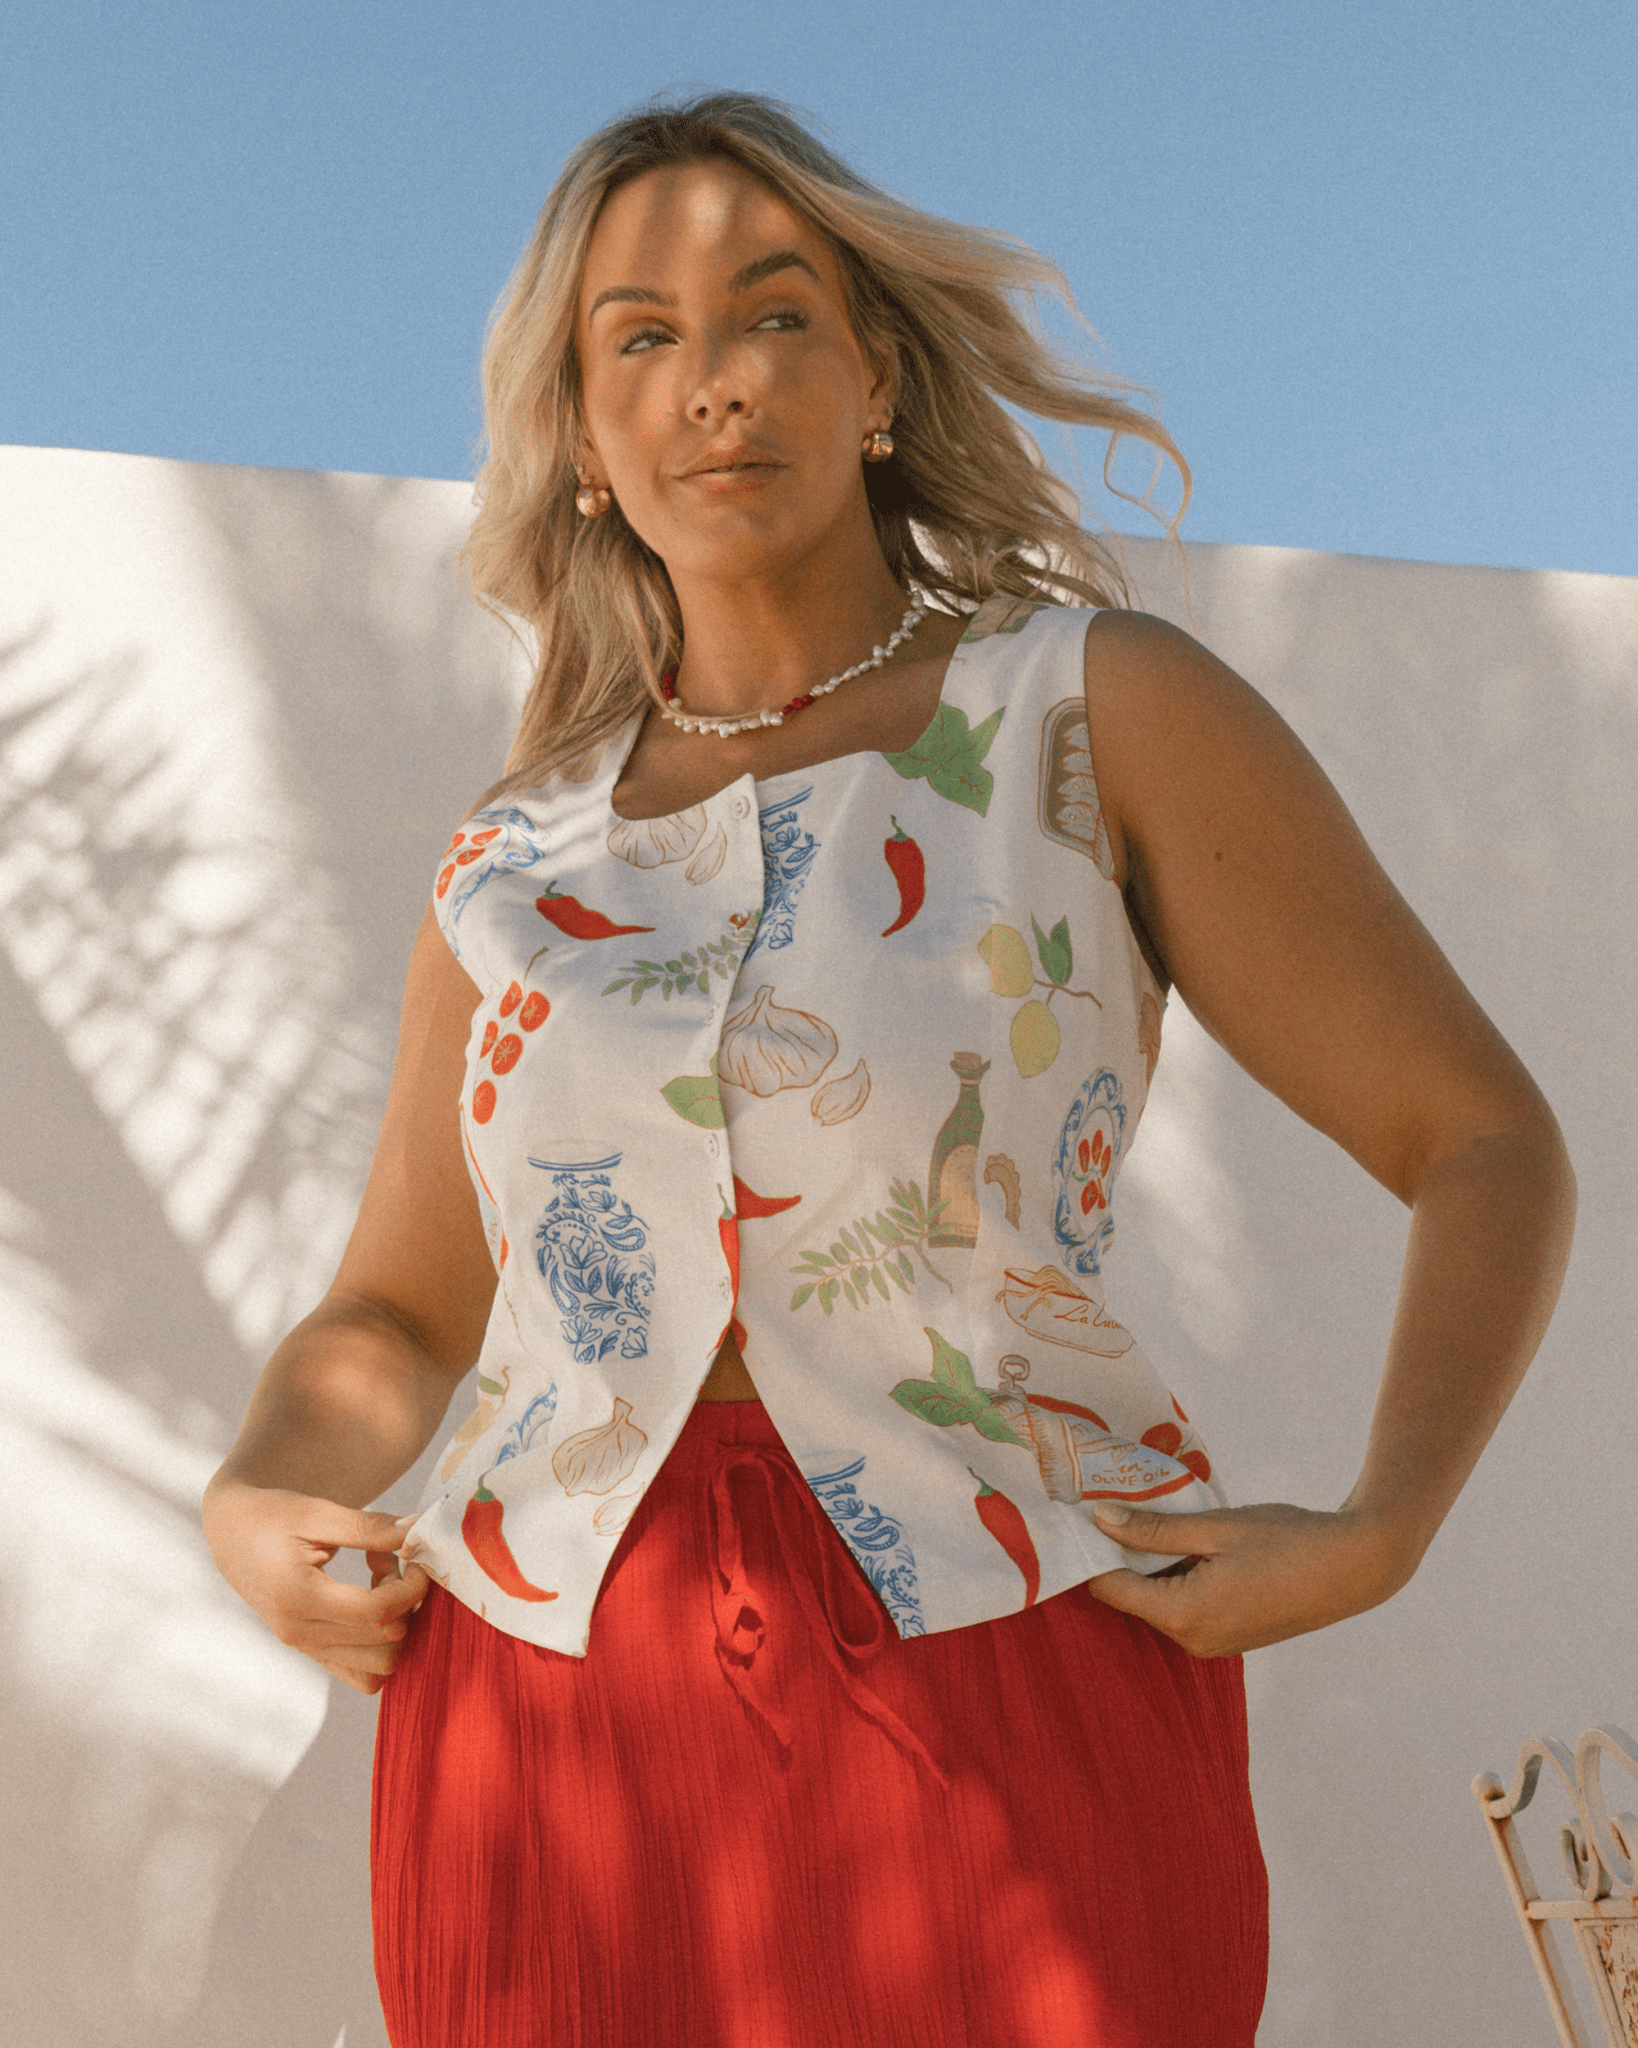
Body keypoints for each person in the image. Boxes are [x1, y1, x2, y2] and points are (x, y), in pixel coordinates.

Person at [201, 90, 1575, 2048]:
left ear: (875, 383)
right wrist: (255, 1494)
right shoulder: (510, 857)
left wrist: (1384, 1523)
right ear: (582, 439)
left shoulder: (1091, 713)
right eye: (641, 337)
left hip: (1013, 1650)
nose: (715, 379)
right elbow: (399, 1313)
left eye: (776, 314)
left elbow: (1482, 1139)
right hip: (542, 1718)